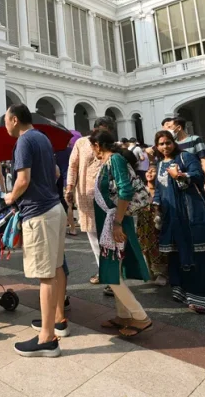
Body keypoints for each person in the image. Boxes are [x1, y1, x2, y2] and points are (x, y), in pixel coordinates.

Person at [3, 103, 67, 357]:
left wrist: (10, 197)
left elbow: (23, 179)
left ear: (15, 120)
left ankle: (47, 338)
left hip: (39, 213)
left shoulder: (23, 142)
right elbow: (55, 172)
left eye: (6, 120)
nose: (5, 125)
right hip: (55, 208)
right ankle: (57, 321)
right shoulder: (42, 137)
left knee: (45, 275)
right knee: (57, 266)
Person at [153, 130, 205, 313]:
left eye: (168, 142)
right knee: (176, 254)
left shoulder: (185, 157)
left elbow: (198, 175)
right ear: (157, 146)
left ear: (173, 142)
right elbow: (160, 188)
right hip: (171, 217)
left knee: (200, 253)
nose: (165, 147)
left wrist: (179, 175)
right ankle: (184, 291)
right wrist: (156, 204)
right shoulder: (159, 164)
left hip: (190, 213)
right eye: (161, 144)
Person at [85, 130, 154, 336]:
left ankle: (140, 316)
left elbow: (125, 190)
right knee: (112, 270)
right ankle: (123, 315)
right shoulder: (108, 163)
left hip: (114, 222)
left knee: (110, 273)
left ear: (97, 145)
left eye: (92, 147)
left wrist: (117, 223)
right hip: (109, 222)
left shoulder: (114, 160)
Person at [66, 116, 115, 290]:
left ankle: (112, 273)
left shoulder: (112, 146)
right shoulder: (81, 143)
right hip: (86, 196)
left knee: (108, 235)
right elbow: (72, 166)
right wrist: (70, 188)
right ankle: (105, 271)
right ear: (94, 129)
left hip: (108, 196)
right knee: (94, 235)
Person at [139, 165, 167, 282]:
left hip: (159, 224)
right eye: (148, 171)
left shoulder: (162, 190)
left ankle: (162, 273)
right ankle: (151, 271)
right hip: (144, 224)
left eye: (153, 171)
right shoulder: (141, 189)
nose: (149, 173)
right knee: (146, 247)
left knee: (159, 247)